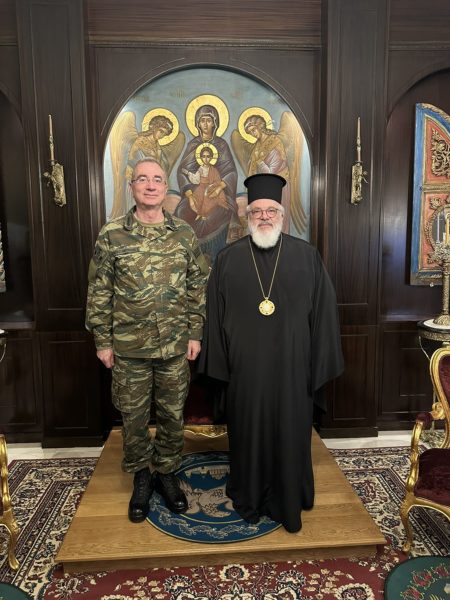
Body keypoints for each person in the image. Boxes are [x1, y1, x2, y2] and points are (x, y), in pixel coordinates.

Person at [198, 173, 344, 533]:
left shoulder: (307, 257)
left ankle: (289, 496)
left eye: (271, 211)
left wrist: (315, 367)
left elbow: (324, 317)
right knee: (247, 434)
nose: (264, 217)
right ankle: (249, 494)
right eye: (257, 211)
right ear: (246, 215)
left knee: (291, 434)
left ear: (282, 214)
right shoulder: (228, 260)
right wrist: (222, 368)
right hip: (245, 374)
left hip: (293, 372)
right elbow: (214, 318)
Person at [86, 157, 209, 523]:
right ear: (133, 187)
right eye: (143, 179)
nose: (151, 185)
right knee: (134, 416)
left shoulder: (183, 233)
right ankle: (142, 476)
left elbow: (197, 285)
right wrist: (102, 340)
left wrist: (195, 332)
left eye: (157, 179)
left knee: (172, 414)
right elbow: (99, 290)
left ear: (165, 187)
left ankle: (166, 473)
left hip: (174, 345)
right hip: (128, 347)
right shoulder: (112, 234)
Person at [176, 104, 241, 263]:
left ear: (215, 123)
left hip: (218, 193)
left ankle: (216, 256)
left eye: (208, 120)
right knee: (182, 211)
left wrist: (219, 188)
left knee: (218, 214)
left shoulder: (221, 145)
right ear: (197, 124)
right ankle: (188, 257)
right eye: (202, 120)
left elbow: (231, 172)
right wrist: (190, 196)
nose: (205, 124)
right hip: (195, 192)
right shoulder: (193, 145)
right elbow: (182, 171)